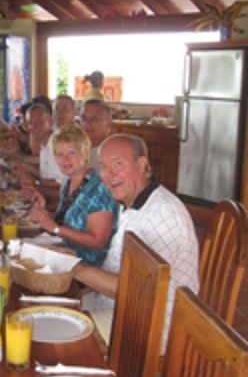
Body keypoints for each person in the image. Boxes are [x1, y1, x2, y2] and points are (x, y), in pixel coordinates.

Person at [73, 133, 199, 347]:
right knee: (55, 307)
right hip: (120, 303)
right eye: (103, 167)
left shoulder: (161, 214)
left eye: (118, 164)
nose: (109, 174)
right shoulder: (131, 201)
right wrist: (93, 286)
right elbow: (119, 266)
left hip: (156, 322)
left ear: (142, 165)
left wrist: (75, 269)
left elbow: (139, 292)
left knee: (68, 334)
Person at [28, 125, 118, 267]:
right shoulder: (70, 182)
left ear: (86, 154)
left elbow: (98, 241)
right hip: (66, 256)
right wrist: (44, 214)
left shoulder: (98, 188)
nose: (65, 160)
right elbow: (66, 225)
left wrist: (55, 229)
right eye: (60, 154)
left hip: (89, 268)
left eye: (72, 153)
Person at [80, 99, 112, 169]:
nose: (87, 123)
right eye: (84, 118)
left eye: (95, 118)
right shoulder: (74, 151)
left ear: (108, 123)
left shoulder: (114, 153)